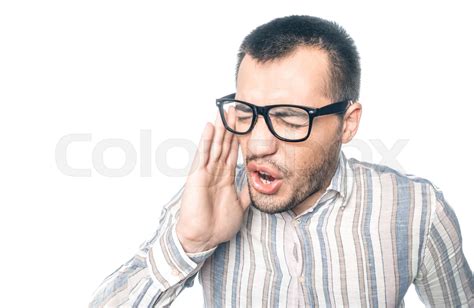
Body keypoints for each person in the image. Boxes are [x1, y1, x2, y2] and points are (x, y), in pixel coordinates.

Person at [89, 15, 473, 307]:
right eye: (243, 112)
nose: (256, 144)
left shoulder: (418, 210)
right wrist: (189, 242)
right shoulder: (207, 200)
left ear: (348, 123)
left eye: (289, 118)